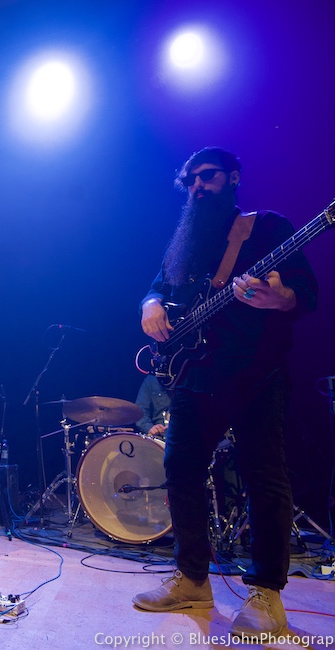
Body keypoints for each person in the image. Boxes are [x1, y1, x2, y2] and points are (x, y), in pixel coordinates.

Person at [133, 147, 318, 638]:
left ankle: (266, 595)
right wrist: (150, 304)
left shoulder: (267, 227)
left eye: (207, 176)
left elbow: (305, 291)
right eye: (189, 179)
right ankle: (192, 578)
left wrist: (282, 296)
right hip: (196, 375)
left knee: (265, 478)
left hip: (255, 370)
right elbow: (156, 285)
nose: (197, 186)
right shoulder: (187, 237)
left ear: (233, 178)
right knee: (180, 471)